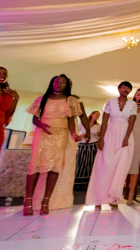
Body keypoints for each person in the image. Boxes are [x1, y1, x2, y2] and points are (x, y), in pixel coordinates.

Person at [23, 75, 81, 216]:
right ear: (52, 83)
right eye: (56, 81)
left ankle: (46, 202)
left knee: (54, 167)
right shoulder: (42, 98)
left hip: (60, 134)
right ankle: (28, 201)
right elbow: (35, 119)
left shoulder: (71, 100)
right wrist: (43, 125)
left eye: (63, 82)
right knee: (35, 165)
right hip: (42, 133)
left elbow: (71, 121)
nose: (59, 84)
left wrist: (73, 134)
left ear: (66, 85)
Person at [32, 78, 90, 211]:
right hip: (55, 128)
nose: (62, 85)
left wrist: (86, 130)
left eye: (66, 83)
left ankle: (61, 196)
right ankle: (41, 198)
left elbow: (83, 116)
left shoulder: (75, 99)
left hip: (69, 129)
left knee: (65, 162)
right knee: (47, 161)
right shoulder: (49, 99)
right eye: (60, 82)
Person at [85, 81, 137, 210]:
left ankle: (114, 198)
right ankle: (98, 199)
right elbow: (104, 122)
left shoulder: (132, 104)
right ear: (119, 88)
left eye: (128, 88)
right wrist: (101, 139)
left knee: (120, 166)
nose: (126, 90)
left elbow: (131, 123)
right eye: (124, 87)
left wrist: (126, 138)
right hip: (110, 135)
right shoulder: (110, 102)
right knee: (103, 166)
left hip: (125, 136)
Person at [75, 110, 101, 187]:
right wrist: (80, 136)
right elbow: (75, 133)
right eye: (96, 114)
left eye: (99, 115)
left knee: (90, 163)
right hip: (82, 146)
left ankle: (88, 183)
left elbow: (99, 137)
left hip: (92, 146)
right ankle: (78, 183)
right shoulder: (82, 124)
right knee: (80, 162)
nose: (98, 116)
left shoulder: (98, 126)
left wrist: (98, 135)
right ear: (92, 114)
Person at [0, 67, 19, 152]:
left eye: (5, 74)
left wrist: (16, 98)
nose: (2, 76)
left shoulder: (7, 94)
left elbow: (8, 114)